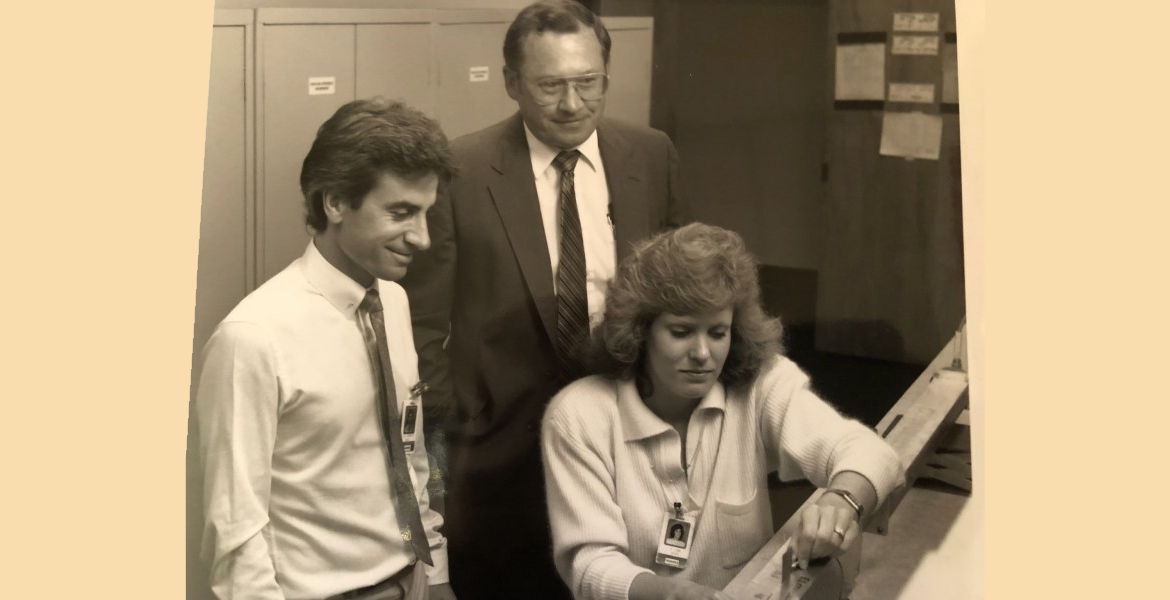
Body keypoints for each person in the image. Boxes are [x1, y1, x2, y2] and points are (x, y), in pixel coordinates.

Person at [399, 1, 688, 598]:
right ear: (511, 83)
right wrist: (451, 441)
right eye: (550, 86)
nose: (572, 104)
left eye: (588, 83)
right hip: (500, 455)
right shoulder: (463, 169)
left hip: (627, 439)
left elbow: (682, 299)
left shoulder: (652, 154)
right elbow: (421, 327)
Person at [541, 223, 906, 600]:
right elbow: (590, 565)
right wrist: (671, 595)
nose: (702, 353)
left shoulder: (761, 384)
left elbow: (871, 451)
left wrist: (840, 501)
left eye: (717, 333)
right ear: (640, 332)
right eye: (681, 332)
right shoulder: (578, 416)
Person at [194, 98, 458, 600]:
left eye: (427, 213)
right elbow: (235, 532)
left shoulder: (393, 302)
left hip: (413, 581)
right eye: (401, 212)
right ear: (335, 202)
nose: (422, 238)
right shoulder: (252, 337)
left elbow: (410, 456)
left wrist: (436, 572)